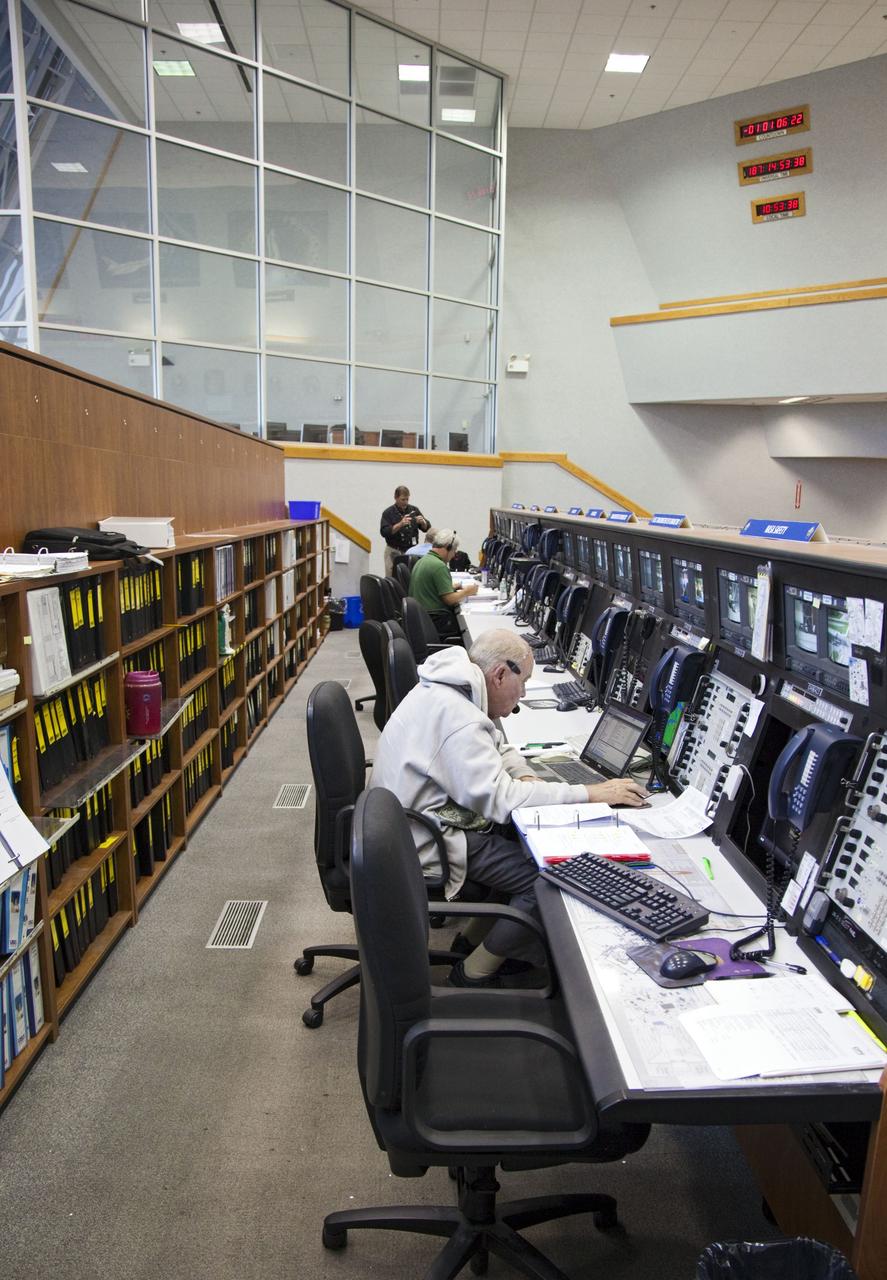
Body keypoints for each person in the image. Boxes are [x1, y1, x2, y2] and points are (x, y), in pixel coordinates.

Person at [368, 629, 648, 987]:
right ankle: (474, 973)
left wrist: (526, 776)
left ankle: (472, 940)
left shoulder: (454, 688)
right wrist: (591, 793)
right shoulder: (459, 717)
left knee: (520, 842)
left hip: (412, 820)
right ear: (501, 674)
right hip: (428, 838)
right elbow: (501, 802)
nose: (524, 694)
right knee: (546, 878)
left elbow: (497, 744)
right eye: (524, 681)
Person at [407, 528, 478, 641]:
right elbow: (449, 599)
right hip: (437, 620)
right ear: (448, 548)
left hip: (423, 618)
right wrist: (467, 592)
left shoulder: (423, 561)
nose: (454, 555)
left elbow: (430, 587)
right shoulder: (438, 566)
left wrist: (452, 587)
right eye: (454, 551)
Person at [380, 485, 429, 577]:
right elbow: (384, 532)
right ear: (396, 498)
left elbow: (426, 528)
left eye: (407, 499)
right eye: (403, 499)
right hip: (394, 551)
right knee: (392, 578)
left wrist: (423, 522)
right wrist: (400, 524)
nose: (405, 502)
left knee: (412, 577)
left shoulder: (414, 510)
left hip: (411, 550)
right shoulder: (388, 513)